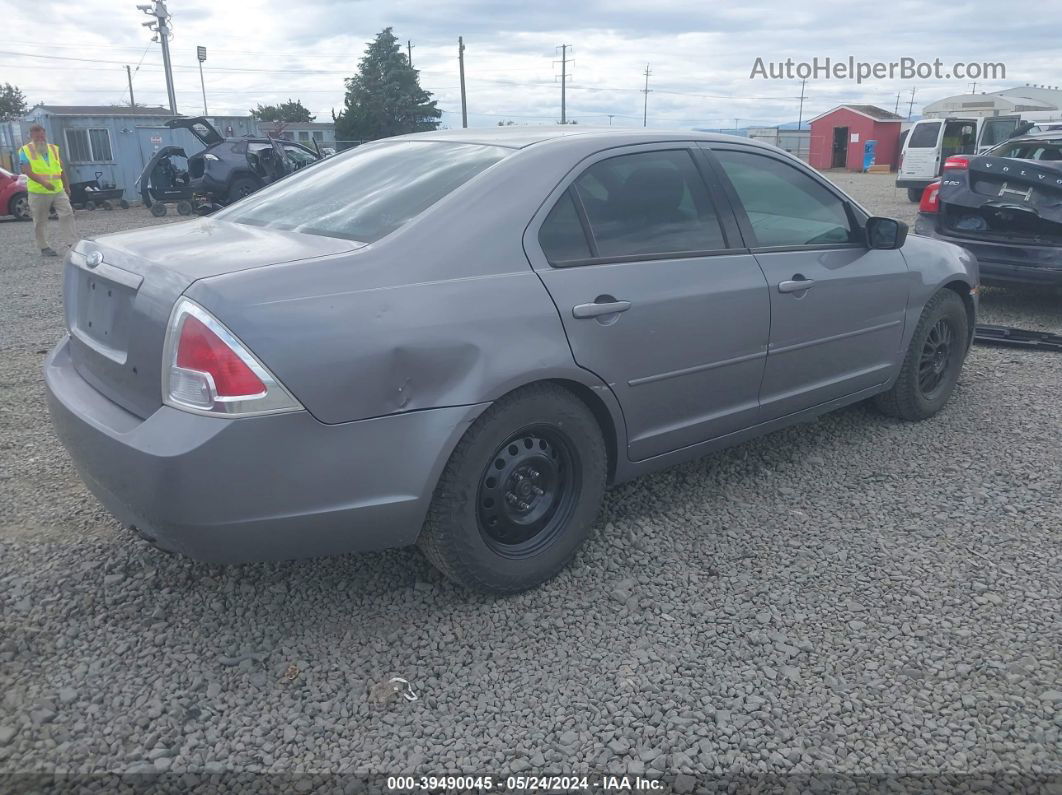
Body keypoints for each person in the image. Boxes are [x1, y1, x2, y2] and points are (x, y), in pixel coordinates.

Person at [19, 124, 75, 257]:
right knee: (40, 220)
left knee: (67, 213)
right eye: (37, 136)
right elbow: (27, 171)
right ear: (31, 136)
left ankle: (72, 243)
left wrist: (66, 186)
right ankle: (44, 247)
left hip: (57, 190)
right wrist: (44, 183)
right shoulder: (24, 150)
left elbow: (61, 169)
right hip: (38, 191)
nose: (40, 138)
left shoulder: (53, 149)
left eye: (42, 135)